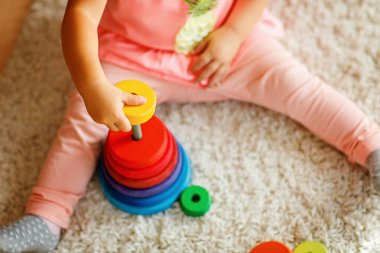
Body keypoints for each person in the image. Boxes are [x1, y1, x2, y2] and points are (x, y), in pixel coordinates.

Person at [1, 0, 379, 252]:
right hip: (134, 55)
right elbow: (81, 16)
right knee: (83, 121)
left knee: (299, 87)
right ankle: (45, 218)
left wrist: (233, 33)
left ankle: (371, 147)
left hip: (229, 46)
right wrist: (94, 86)